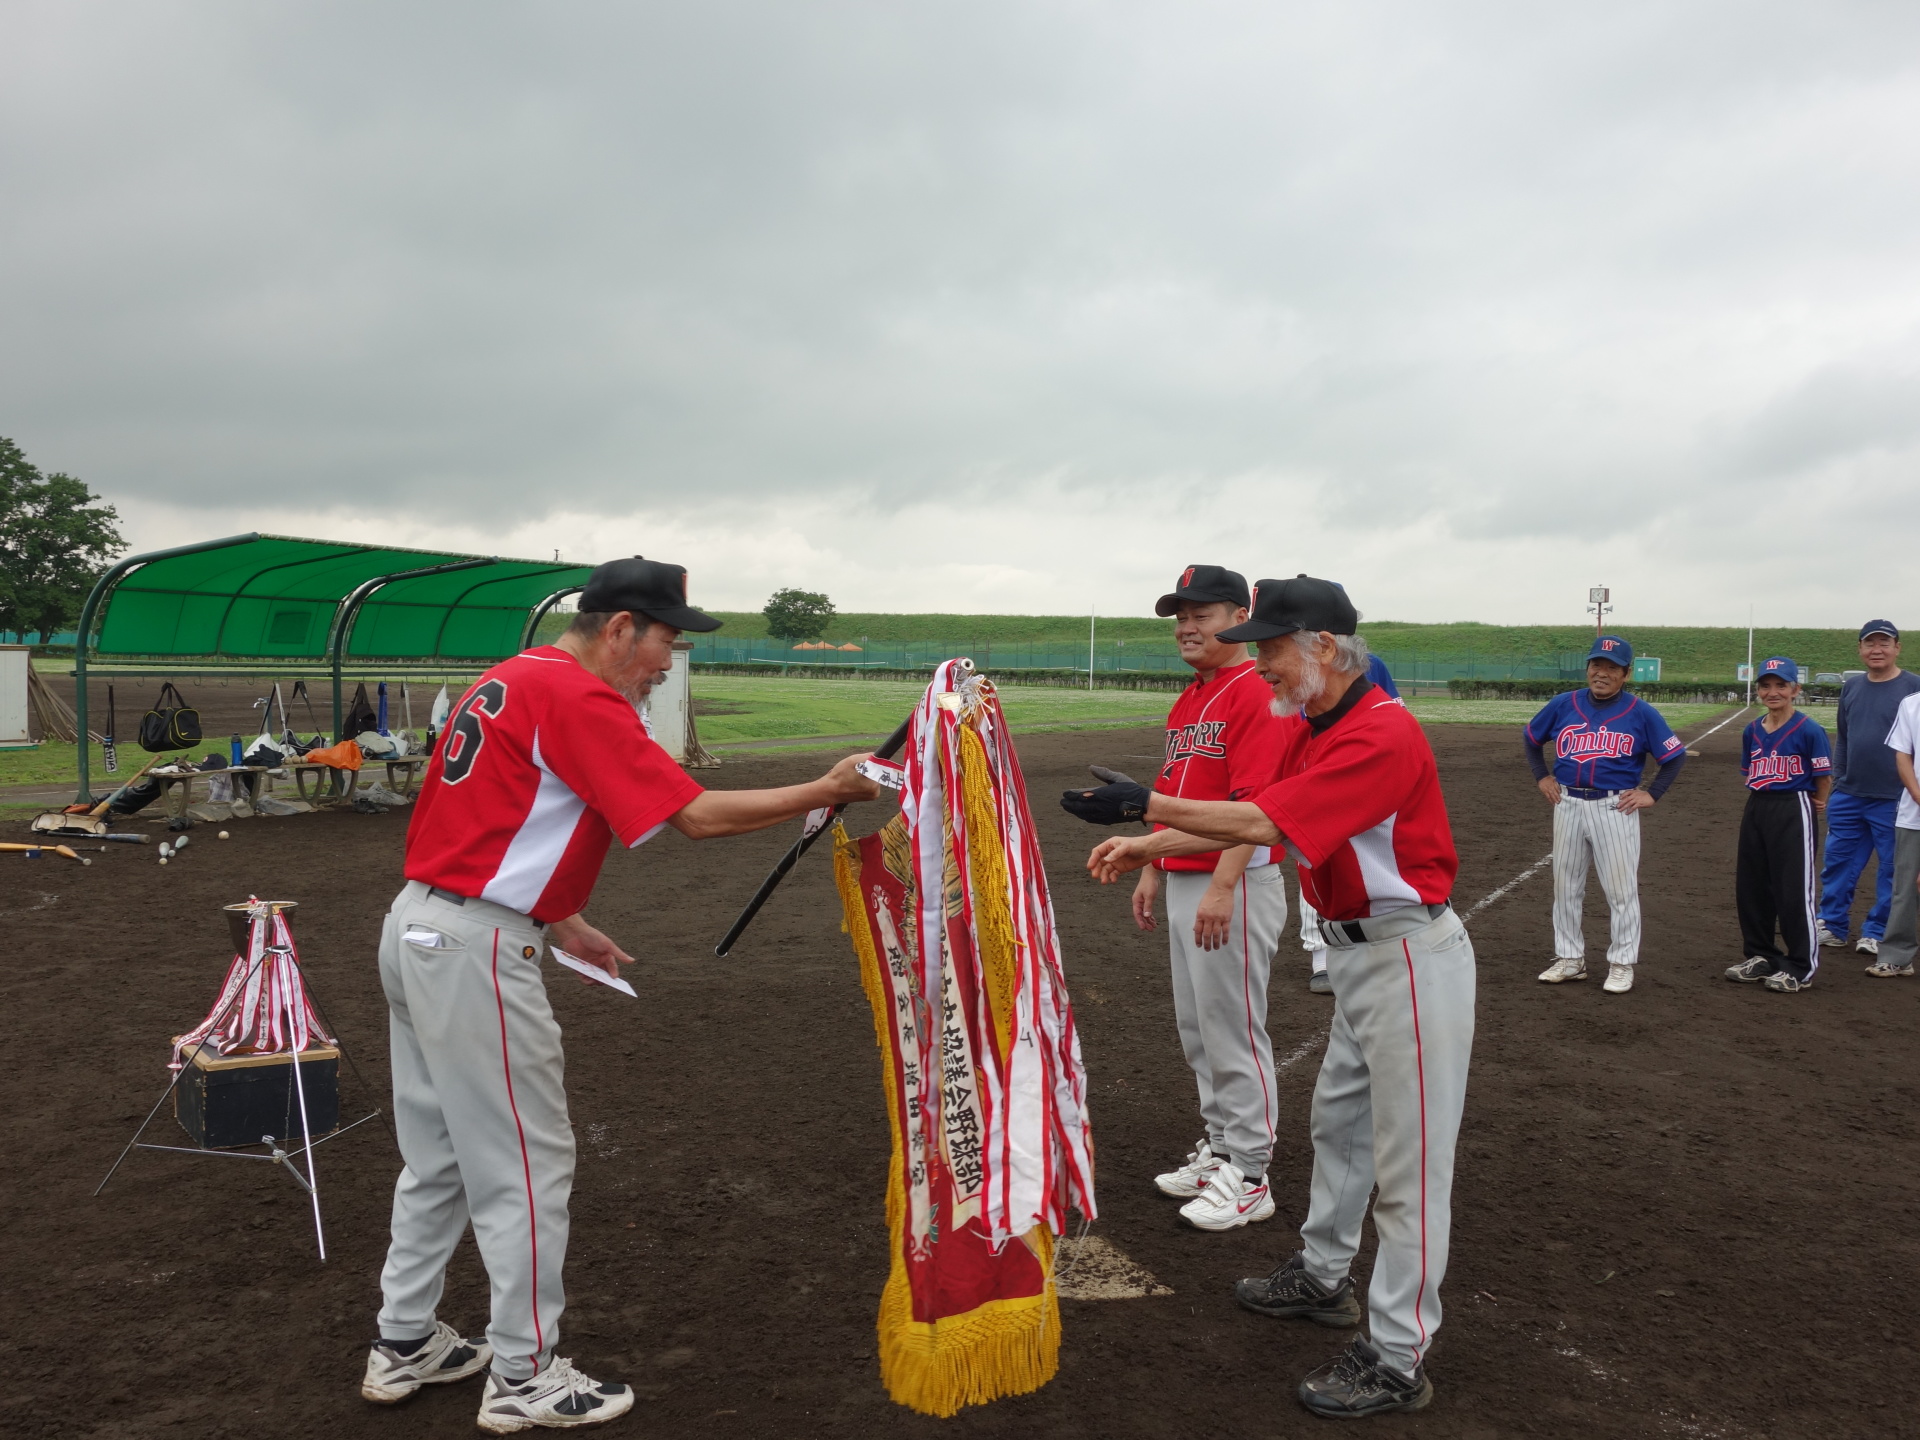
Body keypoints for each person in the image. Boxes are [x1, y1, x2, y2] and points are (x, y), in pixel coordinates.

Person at [359, 557, 881, 1432]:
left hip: (421, 924)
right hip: (474, 949)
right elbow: (695, 816)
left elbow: (490, 818)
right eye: (665, 642)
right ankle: (523, 1375)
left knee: (440, 1155)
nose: (667, 663)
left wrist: (562, 919)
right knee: (526, 1167)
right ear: (618, 629)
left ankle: (405, 1340)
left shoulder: (516, 674)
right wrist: (829, 789)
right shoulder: (580, 695)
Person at [1063, 575, 1472, 1420]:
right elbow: (1243, 806)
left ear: (1323, 646)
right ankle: (1322, 1277)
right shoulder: (1316, 725)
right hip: (1363, 959)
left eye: (1273, 648)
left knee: (1409, 1168)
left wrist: (1143, 805)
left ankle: (1398, 1357)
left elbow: (1264, 828)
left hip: (1408, 958)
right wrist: (1150, 844)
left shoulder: (1380, 732)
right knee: (1339, 1128)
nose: (1261, 665)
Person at [1125, 564, 1288, 1231]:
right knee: (1199, 1031)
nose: (1187, 627)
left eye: (1202, 615)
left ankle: (1250, 1174)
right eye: (1181, 617)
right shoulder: (1192, 697)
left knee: (1232, 1029)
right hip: (1187, 875)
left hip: (1235, 881)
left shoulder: (1255, 692)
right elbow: (1174, 794)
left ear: (1240, 618)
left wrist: (1222, 884)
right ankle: (1221, 1150)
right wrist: (1152, 865)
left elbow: (1260, 809)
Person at [1524, 636, 1686, 994]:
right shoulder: (1563, 704)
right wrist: (1542, 776)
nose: (1602, 673)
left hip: (1615, 807)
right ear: (1588, 669)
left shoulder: (1641, 712)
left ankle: (1622, 964)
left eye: (1612, 667)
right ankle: (1570, 959)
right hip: (1567, 803)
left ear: (1626, 674)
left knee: (1620, 890)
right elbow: (1531, 738)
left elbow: (1674, 756)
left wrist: (1652, 793)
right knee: (1565, 887)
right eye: (1597, 665)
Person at [1723, 659, 1833, 993]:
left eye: (1781, 685)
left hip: (1793, 805)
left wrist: (1818, 801)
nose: (1773, 692)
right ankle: (1761, 955)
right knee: (1752, 885)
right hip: (1758, 804)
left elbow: (1823, 776)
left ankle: (1800, 966)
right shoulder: (1751, 730)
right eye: (1766, 685)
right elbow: (1749, 770)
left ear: (1795, 690)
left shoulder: (1809, 729)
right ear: (1758, 689)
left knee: (1793, 888)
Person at [1816, 622, 1920, 958]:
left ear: (1897, 648)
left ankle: (1877, 931)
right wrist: (1838, 781)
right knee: (1838, 863)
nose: (1877, 649)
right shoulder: (1852, 686)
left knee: (1892, 869)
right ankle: (1832, 925)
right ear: (1860, 649)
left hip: (1895, 798)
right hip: (1850, 794)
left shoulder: (1914, 688)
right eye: (1870, 643)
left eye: (1884, 643)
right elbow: (1844, 738)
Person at [1299, 649, 1399, 995]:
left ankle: (1375, 943)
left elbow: (1395, 713)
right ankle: (1320, 955)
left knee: (1366, 856)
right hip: (1311, 768)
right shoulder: (1294, 665)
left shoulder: (1372, 663)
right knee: (1312, 857)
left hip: (1357, 769)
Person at [1871, 685, 1920, 978]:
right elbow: (1903, 756)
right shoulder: (1912, 704)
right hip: (1914, 815)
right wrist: (1917, 795)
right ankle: (1897, 956)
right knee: (1905, 887)